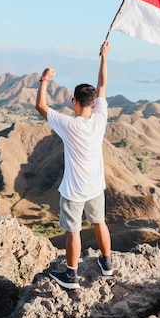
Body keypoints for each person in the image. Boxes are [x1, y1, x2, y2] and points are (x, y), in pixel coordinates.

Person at [35, 40, 112, 289]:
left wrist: (44, 80)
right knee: (99, 222)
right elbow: (102, 85)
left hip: (74, 191)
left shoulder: (69, 125)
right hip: (95, 186)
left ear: (75, 102)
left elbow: (41, 106)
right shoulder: (100, 118)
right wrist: (104, 57)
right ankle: (107, 263)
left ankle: (71, 276)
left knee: (74, 231)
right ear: (92, 103)